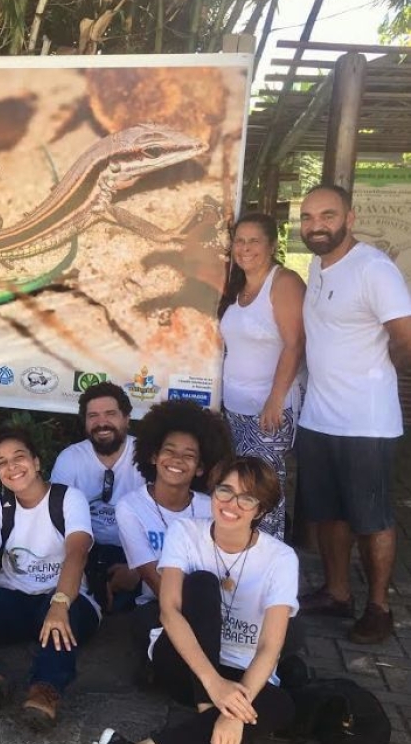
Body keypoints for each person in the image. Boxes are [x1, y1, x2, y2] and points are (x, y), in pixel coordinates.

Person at [88, 457, 297, 744]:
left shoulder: (281, 559)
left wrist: (231, 713)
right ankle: (205, 712)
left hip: (241, 672)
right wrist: (214, 688)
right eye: (224, 491)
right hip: (183, 661)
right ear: (212, 493)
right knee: (200, 583)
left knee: (281, 705)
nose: (231, 504)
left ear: (261, 510)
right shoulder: (185, 532)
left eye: (247, 498)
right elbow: (169, 611)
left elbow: (271, 647)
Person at [295, 184, 411, 644]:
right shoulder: (318, 263)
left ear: (350, 217)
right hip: (319, 416)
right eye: (307, 217)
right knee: (328, 514)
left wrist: (377, 377)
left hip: (366, 423)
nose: (316, 225)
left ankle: (379, 608)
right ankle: (337, 593)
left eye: (327, 215)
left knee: (372, 517)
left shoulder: (374, 269)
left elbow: (404, 335)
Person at [0, 427, 98, 729]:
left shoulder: (67, 498)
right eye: (2, 462)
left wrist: (60, 603)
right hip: (15, 598)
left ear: (37, 462)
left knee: (66, 617)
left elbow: (77, 552)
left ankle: (45, 690)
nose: (12, 467)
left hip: (65, 598)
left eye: (19, 457)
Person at [115, 400, 233, 660]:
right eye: (169, 451)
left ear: (201, 467)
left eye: (189, 455)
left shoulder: (210, 508)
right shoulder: (130, 507)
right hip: (158, 605)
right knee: (146, 625)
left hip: (213, 605)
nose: (177, 460)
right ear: (154, 456)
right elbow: (151, 577)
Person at [218, 211, 306, 539]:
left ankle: (268, 569)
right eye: (239, 241)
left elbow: (295, 344)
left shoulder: (283, 282)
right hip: (236, 410)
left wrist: (275, 398)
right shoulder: (237, 287)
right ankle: (240, 562)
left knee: (261, 493)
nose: (245, 247)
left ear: (271, 244)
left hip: (269, 410)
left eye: (254, 240)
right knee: (240, 491)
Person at [51, 382, 146, 611]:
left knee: (128, 603)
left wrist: (139, 570)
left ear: (127, 418)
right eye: (93, 415)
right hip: (83, 549)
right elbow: (54, 521)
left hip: (136, 551)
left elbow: (165, 519)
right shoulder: (70, 458)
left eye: (110, 414)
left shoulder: (145, 456)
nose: (101, 422)